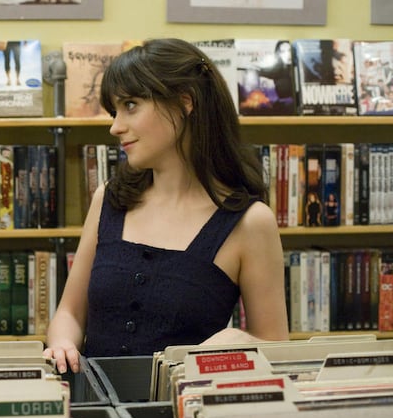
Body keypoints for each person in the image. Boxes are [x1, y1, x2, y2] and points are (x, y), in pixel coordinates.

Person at [43, 38, 289, 374]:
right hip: (95, 412)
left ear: (184, 102)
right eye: (115, 111)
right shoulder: (108, 199)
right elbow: (70, 312)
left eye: (130, 105)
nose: (115, 126)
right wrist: (62, 343)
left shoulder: (249, 222)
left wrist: (237, 340)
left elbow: (275, 347)